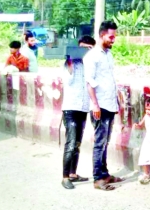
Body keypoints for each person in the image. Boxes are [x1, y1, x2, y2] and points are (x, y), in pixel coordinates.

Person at [84, 21, 124, 191]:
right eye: (111, 36)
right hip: (99, 105)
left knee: (105, 141)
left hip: (110, 104)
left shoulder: (108, 54)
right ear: (102, 35)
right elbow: (89, 83)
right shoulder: (92, 56)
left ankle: (105, 173)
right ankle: (98, 178)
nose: (113, 39)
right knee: (100, 142)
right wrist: (95, 105)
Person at [60, 36, 96, 190]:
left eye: (88, 48)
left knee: (77, 143)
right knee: (71, 143)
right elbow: (67, 81)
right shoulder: (70, 64)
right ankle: (65, 177)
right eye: (82, 47)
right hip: (71, 108)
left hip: (83, 107)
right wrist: (69, 63)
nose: (84, 51)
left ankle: (73, 173)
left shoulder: (91, 66)